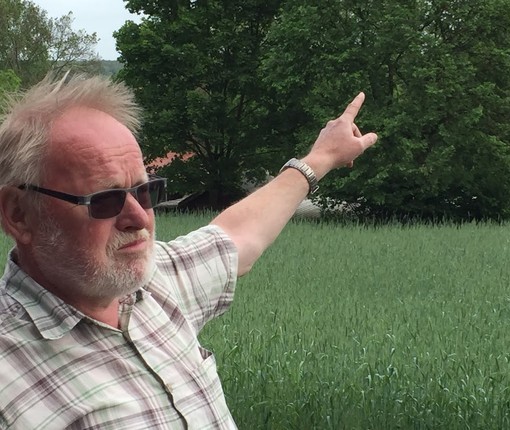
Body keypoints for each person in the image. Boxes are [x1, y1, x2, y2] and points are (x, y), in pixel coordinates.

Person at [0, 73, 377, 429]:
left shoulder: (154, 281)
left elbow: (238, 235)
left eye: (145, 191)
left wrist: (321, 158)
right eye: (104, 200)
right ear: (19, 214)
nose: (139, 218)